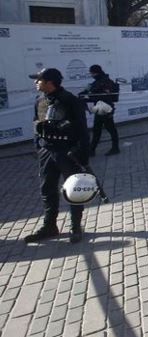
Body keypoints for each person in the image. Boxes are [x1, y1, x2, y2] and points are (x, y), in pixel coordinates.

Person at [25, 68, 90, 244]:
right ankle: (49, 226)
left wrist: (83, 156)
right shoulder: (39, 100)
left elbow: (83, 131)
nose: (35, 82)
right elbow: (36, 124)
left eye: (39, 80)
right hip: (46, 152)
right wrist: (38, 148)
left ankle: (75, 227)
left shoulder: (70, 101)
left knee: (73, 190)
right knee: (47, 189)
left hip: (67, 153)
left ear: (50, 82)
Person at [79, 65, 119, 156]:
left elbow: (103, 96)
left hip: (105, 108)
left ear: (95, 72)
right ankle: (92, 150)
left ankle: (115, 148)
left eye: (91, 73)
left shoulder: (105, 82)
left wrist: (88, 98)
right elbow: (88, 91)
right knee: (97, 129)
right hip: (100, 108)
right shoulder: (97, 82)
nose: (91, 75)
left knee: (110, 128)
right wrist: (83, 95)